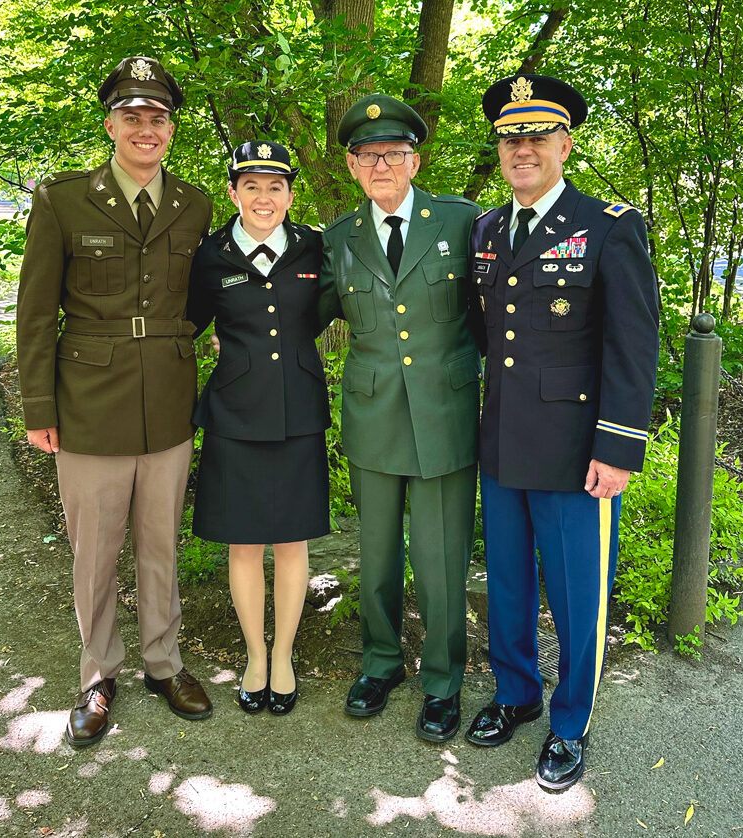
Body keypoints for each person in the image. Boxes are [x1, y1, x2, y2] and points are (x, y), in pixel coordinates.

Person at [464, 74, 659, 791]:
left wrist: (617, 445)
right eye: (511, 137)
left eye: (537, 136)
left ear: (564, 143)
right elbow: (486, 337)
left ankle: (570, 721)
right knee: (509, 584)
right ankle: (517, 693)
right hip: (504, 439)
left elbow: (634, 345)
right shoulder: (487, 229)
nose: (522, 149)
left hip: (579, 452)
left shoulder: (608, 224)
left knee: (579, 595)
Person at [16, 56, 213, 749]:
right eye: (133, 116)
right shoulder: (63, 198)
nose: (146, 128)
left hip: (166, 399)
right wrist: (39, 406)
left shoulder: (195, 204)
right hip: (88, 402)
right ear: (111, 123)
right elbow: (36, 312)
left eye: (157, 118)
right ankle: (98, 674)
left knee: (161, 545)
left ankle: (164, 662)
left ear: (171, 130)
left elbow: (202, 303)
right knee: (94, 552)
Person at [318, 94, 483, 742]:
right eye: (367, 154)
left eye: (392, 153)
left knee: (442, 560)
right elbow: (305, 313)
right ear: (354, 167)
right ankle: (382, 662)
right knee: (378, 555)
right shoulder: (338, 239)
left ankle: (442, 680)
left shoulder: (464, 223)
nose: (379, 163)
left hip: (444, 417)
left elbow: (496, 314)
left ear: (414, 159)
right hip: (372, 417)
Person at [187, 141, 329, 716]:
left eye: (275, 186)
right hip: (235, 415)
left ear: (291, 195)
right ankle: (253, 654)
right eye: (251, 185)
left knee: (292, 542)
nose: (263, 197)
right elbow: (190, 323)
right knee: (244, 543)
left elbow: (336, 310)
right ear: (233, 192)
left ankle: (286, 655)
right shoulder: (210, 255)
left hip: (298, 412)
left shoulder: (315, 247)